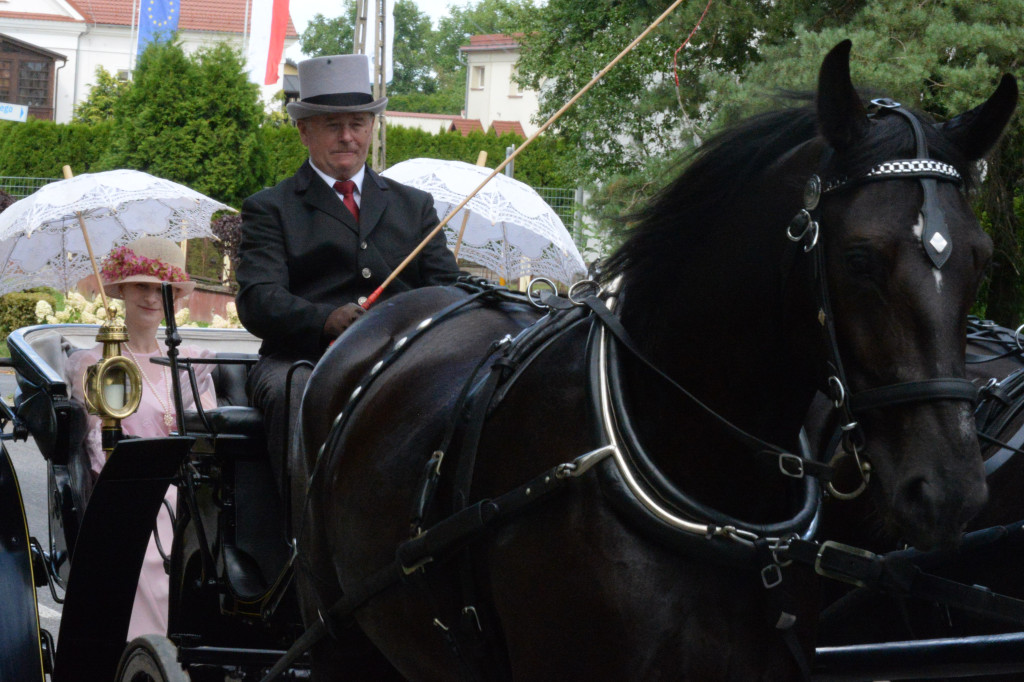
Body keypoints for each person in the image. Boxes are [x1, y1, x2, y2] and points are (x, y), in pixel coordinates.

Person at [236, 54, 460, 492]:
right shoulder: (270, 207)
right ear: (304, 130)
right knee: (296, 392)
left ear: (371, 128)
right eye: (332, 125)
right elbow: (258, 299)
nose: (347, 137)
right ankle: (303, 540)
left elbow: (446, 288)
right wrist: (324, 320)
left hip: (400, 359)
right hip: (298, 360)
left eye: (357, 123)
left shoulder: (414, 206)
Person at [67, 236, 217, 640]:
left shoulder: (191, 363)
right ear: (121, 291)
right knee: (163, 517)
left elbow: (205, 435)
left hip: (190, 484)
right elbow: (100, 448)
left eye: (161, 289)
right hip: (128, 487)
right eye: (141, 286)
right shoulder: (95, 363)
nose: (152, 298)